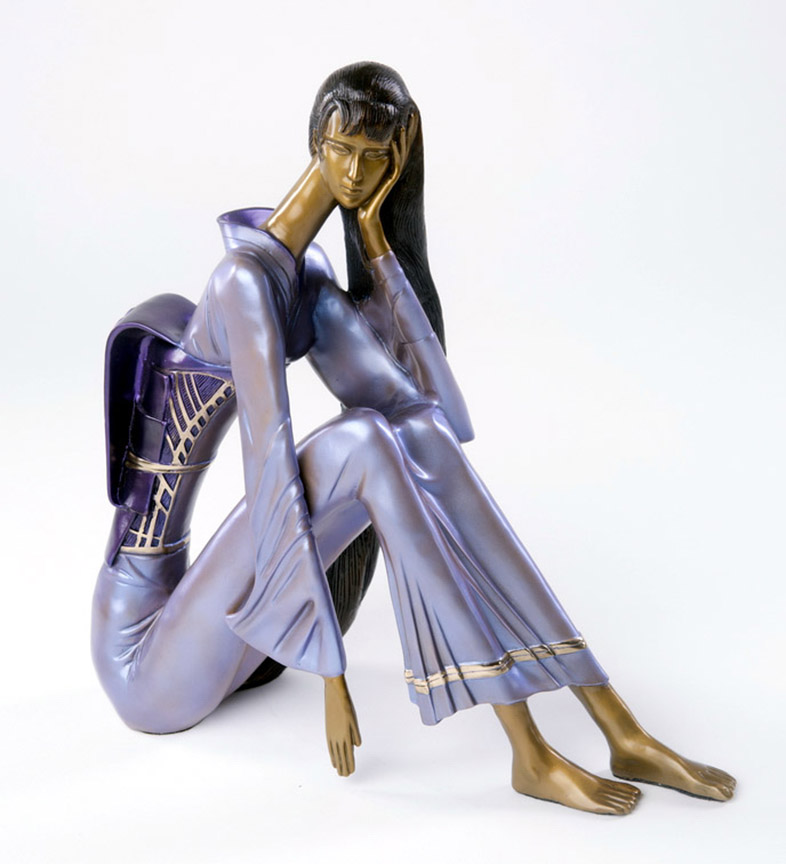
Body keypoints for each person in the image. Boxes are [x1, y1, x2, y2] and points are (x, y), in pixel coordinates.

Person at [92, 62, 734, 814]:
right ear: (314, 142)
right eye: (341, 150)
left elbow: (437, 415)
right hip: (145, 659)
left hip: (220, 632)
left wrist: (377, 242)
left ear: (394, 162)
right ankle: (528, 752)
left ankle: (619, 726)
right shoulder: (243, 281)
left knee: (407, 432)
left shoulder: (307, 279)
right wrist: (331, 673)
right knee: (362, 443)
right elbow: (268, 467)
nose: (354, 173)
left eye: (374, 158)